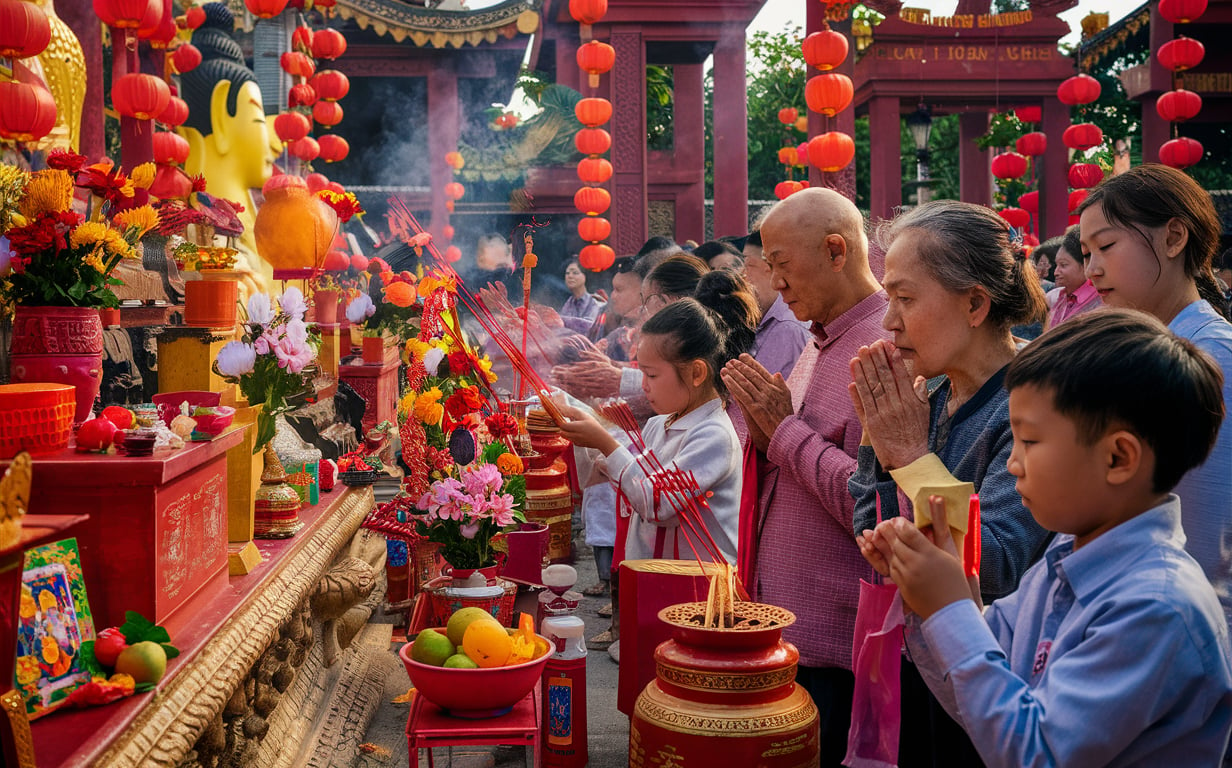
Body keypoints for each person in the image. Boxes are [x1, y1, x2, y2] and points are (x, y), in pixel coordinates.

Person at [857, 309, 1232, 767]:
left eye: (1029, 442)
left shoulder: (1157, 607)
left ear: (1118, 457)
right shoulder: (1065, 555)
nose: (1013, 463)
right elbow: (979, 694)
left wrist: (949, 607)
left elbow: (1034, 753)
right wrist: (932, 589)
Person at [848, 199, 1052, 766]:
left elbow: (994, 559)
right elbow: (874, 534)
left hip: (994, 679)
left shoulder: (1035, 405)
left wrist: (909, 456)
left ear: (975, 304)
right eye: (889, 298)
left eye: (906, 299)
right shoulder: (930, 392)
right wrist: (875, 446)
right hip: (917, 665)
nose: (889, 322)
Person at [720, 187, 887, 766]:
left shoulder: (883, 348)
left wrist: (783, 433)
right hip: (788, 623)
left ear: (836, 251)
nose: (775, 283)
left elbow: (878, 509)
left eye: (783, 266)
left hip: (837, 639)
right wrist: (764, 432)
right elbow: (784, 449)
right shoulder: (820, 341)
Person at [1078, 163, 1232, 630]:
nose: (1093, 269)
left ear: (1173, 238)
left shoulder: (1212, 359)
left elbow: (1207, 538)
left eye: (1106, 246)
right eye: (1086, 253)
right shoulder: (1147, 350)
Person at [558, 269, 759, 563]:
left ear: (697, 372)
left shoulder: (714, 435)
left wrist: (604, 441)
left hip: (696, 587)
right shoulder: (658, 424)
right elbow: (618, 477)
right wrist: (577, 424)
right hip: (656, 576)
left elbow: (656, 500)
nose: (643, 385)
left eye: (651, 374)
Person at [741, 229, 811, 380]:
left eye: (748, 264)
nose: (743, 275)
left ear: (770, 264)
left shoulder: (788, 327)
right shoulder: (776, 319)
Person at [1044, 226, 1100, 330]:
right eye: (1056, 265)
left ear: (1085, 264)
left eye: (1063, 265)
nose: (1056, 272)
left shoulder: (1100, 303)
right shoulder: (1060, 297)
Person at [559, 259, 605, 336]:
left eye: (575, 273)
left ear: (585, 276)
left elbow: (590, 326)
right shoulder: (569, 302)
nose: (570, 276)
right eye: (567, 273)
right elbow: (560, 326)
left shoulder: (595, 300)